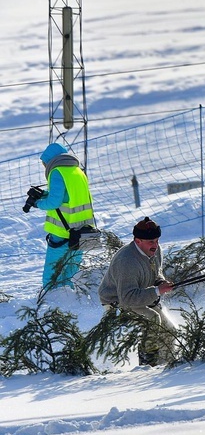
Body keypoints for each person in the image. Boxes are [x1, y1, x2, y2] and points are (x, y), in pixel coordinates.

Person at [98, 217, 176, 366]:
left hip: (141, 295)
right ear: (137, 241)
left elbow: (156, 272)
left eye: (157, 240)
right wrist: (156, 291)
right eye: (151, 242)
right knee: (153, 318)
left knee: (171, 330)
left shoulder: (156, 250)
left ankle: (168, 367)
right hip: (118, 301)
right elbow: (127, 298)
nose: (155, 245)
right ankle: (148, 365)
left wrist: (160, 282)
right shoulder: (127, 261)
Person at [27, 142, 95, 290]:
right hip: (83, 230)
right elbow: (69, 197)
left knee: (52, 270)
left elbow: (54, 202)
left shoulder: (57, 171)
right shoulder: (78, 171)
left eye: (44, 163)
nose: (45, 167)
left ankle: (50, 300)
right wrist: (45, 194)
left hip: (63, 231)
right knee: (71, 271)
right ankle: (69, 299)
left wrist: (37, 203)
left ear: (51, 160)